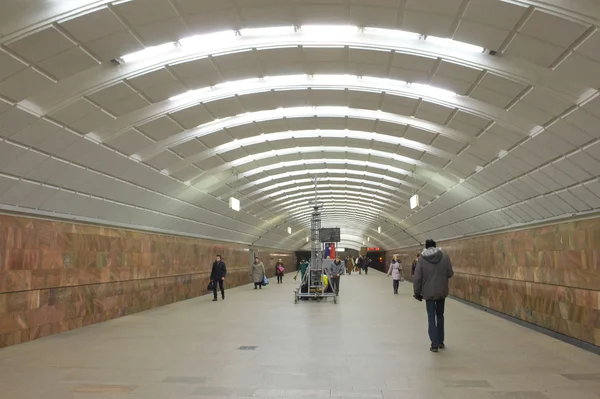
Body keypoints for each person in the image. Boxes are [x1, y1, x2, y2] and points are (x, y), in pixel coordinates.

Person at [413, 239, 454, 353]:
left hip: (428, 292)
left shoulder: (422, 258)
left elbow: (417, 277)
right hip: (441, 291)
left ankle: (434, 344)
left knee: (431, 317)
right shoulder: (444, 255)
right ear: (435, 246)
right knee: (440, 315)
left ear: (426, 247)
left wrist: (417, 292)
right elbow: (450, 273)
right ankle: (441, 341)